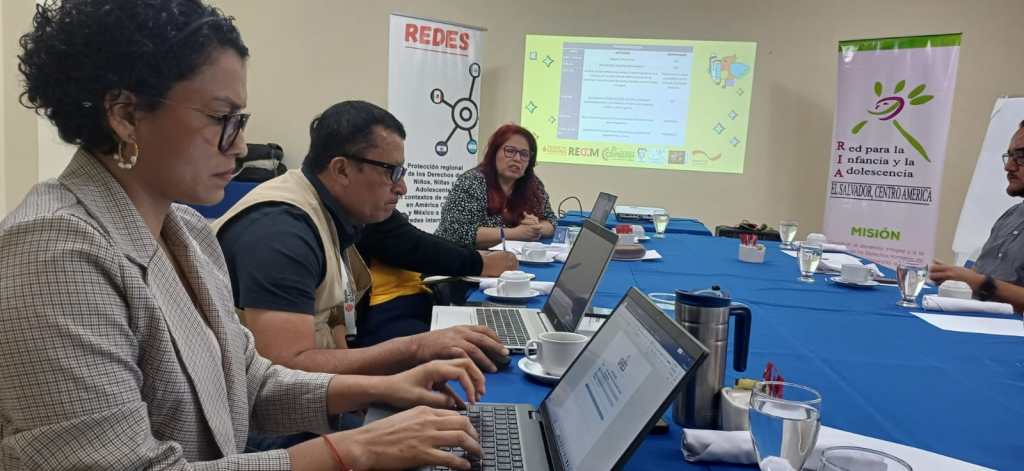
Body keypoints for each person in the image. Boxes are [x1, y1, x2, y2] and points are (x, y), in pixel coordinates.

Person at [0, 2, 483, 469]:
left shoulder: (186, 229)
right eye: (221, 118)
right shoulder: (54, 252)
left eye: (241, 121)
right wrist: (354, 449)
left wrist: (384, 388)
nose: (240, 145)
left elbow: (246, 381)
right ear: (126, 116)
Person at [213, 101, 511, 373]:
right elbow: (287, 373)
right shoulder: (282, 235)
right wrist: (416, 349)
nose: (402, 188)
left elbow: (332, 326)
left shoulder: (333, 209)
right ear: (342, 169)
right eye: (392, 172)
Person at [354, 213, 518, 347]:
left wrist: (478, 258)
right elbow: (412, 244)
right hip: (385, 315)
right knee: (478, 349)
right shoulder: (364, 215)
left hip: (417, 300)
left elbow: (413, 237)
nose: (402, 189)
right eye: (389, 180)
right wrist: (481, 262)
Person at [930, 120, 1024, 312]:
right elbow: (981, 274)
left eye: (1021, 157)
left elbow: (981, 281)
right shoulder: (1012, 216)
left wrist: (978, 283)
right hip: (974, 318)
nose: (1008, 167)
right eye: (1010, 156)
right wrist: (952, 276)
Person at [436, 124, 557, 249]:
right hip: (460, 256)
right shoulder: (472, 181)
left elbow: (551, 221)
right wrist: (516, 233)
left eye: (524, 154)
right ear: (494, 153)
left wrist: (536, 228)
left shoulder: (533, 184)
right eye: (510, 151)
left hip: (509, 257)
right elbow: (456, 232)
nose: (517, 158)